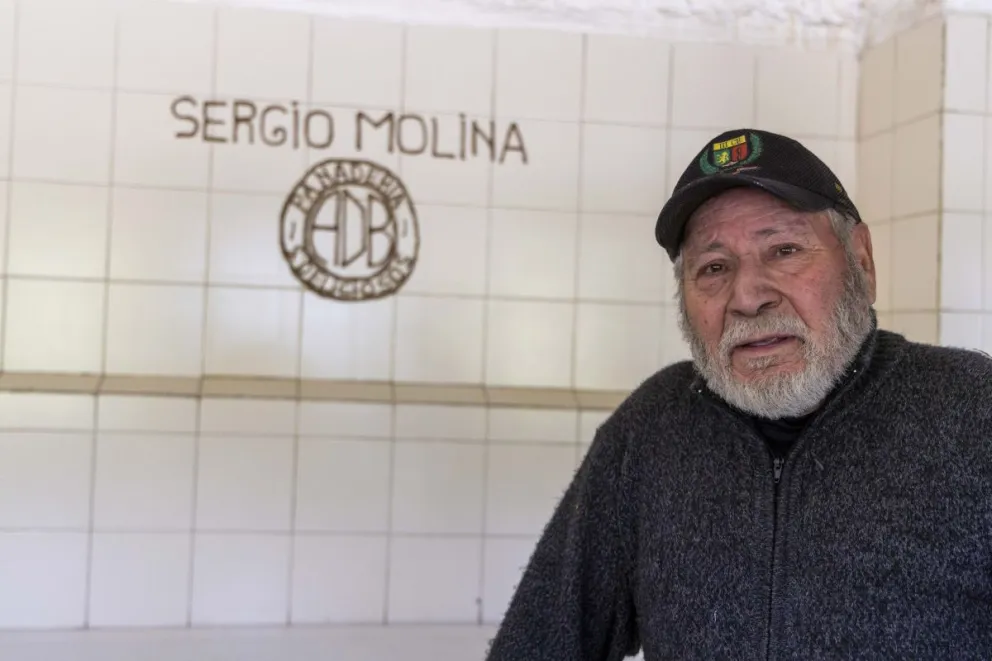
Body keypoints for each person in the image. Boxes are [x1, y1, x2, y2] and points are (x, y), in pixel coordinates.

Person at [484, 128, 992, 660]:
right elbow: (538, 644)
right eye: (714, 268)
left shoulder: (973, 410)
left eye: (784, 250)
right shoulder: (653, 427)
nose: (747, 297)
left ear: (861, 261)